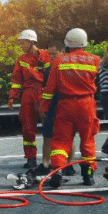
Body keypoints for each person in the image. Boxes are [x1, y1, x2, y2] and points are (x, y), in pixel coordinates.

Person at [40, 28, 101, 187]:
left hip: (65, 104)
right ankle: (88, 176)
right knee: (88, 141)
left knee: (60, 141)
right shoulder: (94, 60)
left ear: (67, 43)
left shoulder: (59, 61)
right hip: (86, 104)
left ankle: (57, 171)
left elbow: (50, 88)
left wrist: (44, 108)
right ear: (84, 43)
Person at [9, 29, 50, 169]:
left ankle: (53, 159)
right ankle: (31, 158)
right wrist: (13, 96)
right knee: (28, 127)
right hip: (28, 94)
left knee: (50, 127)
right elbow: (16, 79)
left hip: (44, 93)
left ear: (31, 42)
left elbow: (53, 75)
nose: (21, 45)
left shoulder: (46, 55)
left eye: (23, 42)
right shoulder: (21, 59)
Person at [40, 41, 77, 175]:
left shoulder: (69, 68)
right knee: (47, 135)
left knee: (69, 136)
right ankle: (45, 163)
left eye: (54, 54)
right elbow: (46, 90)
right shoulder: (48, 70)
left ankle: (69, 165)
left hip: (65, 106)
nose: (51, 56)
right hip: (51, 107)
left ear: (62, 53)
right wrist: (43, 108)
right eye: (49, 54)